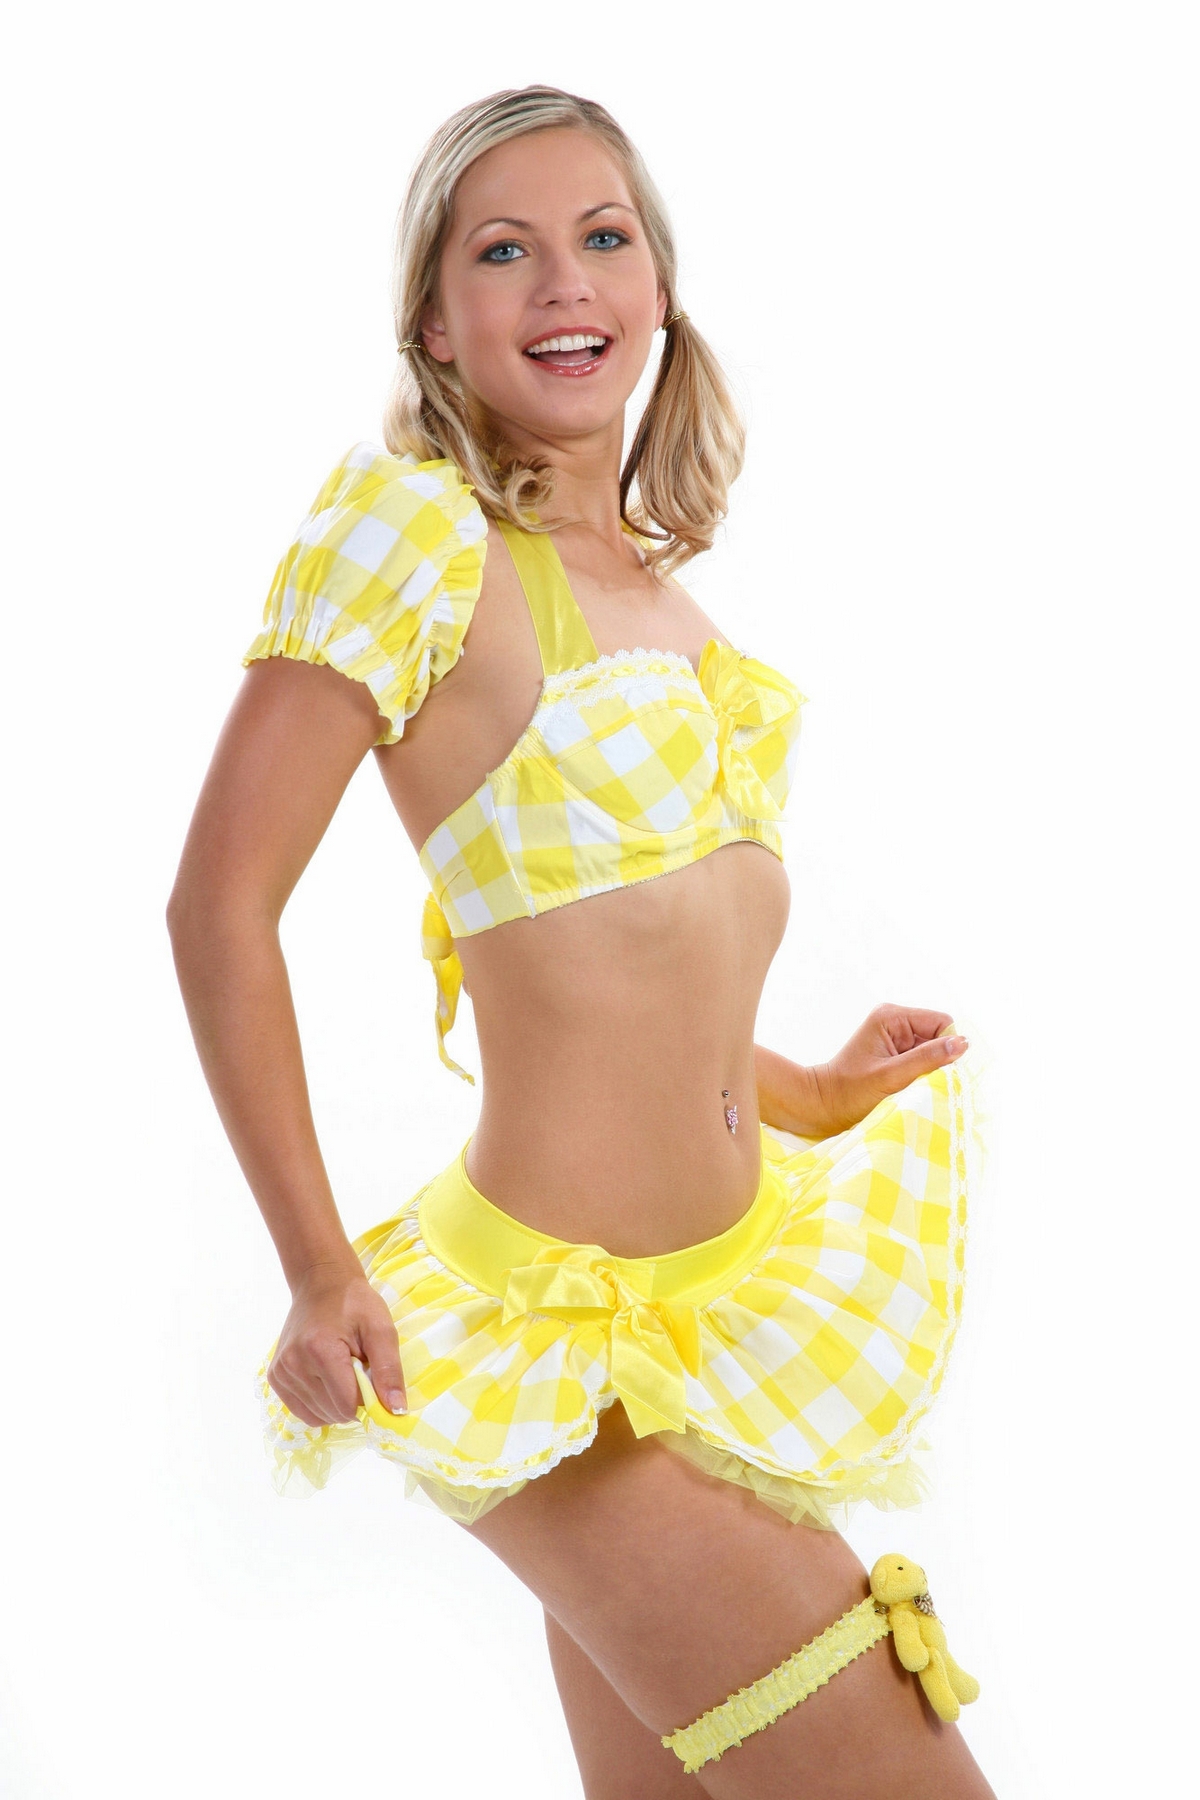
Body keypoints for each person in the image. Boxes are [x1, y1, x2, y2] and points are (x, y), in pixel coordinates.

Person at [169, 85, 993, 1800]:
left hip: (711, 1314)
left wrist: (806, 1090)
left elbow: (613, 964)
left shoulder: (661, 599)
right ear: (433, 321)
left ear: (658, 289)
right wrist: (317, 1271)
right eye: (503, 251)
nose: (564, 281)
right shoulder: (416, 536)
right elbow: (219, 906)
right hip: (559, 1342)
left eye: (603, 237)